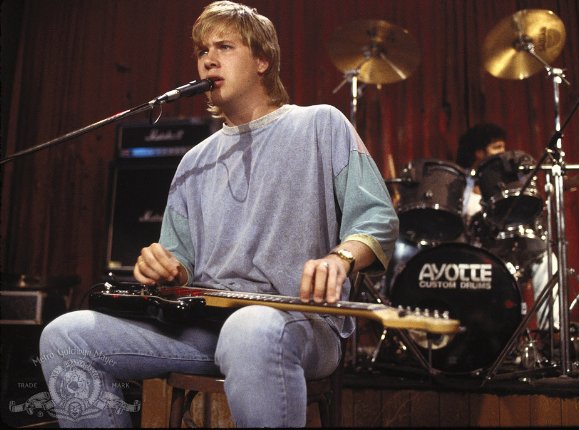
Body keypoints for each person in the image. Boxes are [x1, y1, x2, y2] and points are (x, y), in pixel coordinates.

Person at [38, 1, 398, 427]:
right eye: (202, 50)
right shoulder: (194, 161)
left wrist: (340, 258)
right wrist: (165, 268)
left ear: (263, 60)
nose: (208, 59)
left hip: (298, 323)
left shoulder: (321, 125)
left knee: (249, 328)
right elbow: (180, 263)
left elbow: (377, 218)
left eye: (224, 46)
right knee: (65, 335)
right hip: (203, 326)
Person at [456, 123, 559, 330]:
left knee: (547, 260)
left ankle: (551, 332)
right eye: (496, 147)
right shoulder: (461, 185)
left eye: (503, 146)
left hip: (514, 247)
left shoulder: (509, 181)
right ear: (479, 152)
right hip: (482, 254)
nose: (502, 152)